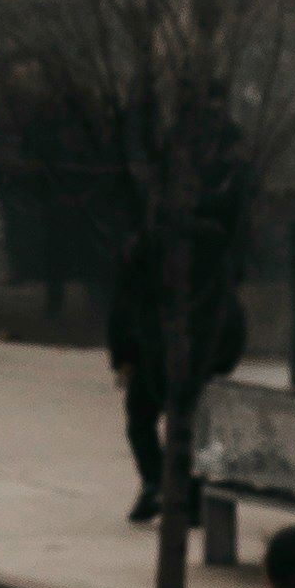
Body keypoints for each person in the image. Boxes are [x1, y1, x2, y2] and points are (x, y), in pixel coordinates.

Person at [107, 217, 250, 522]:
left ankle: (156, 482)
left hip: (157, 351)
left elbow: (125, 304)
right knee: (188, 423)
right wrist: (225, 356)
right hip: (206, 352)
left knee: (141, 418)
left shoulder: (148, 244)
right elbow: (230, 305)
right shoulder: (214, 245)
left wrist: (124, 356)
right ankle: (183, 491)